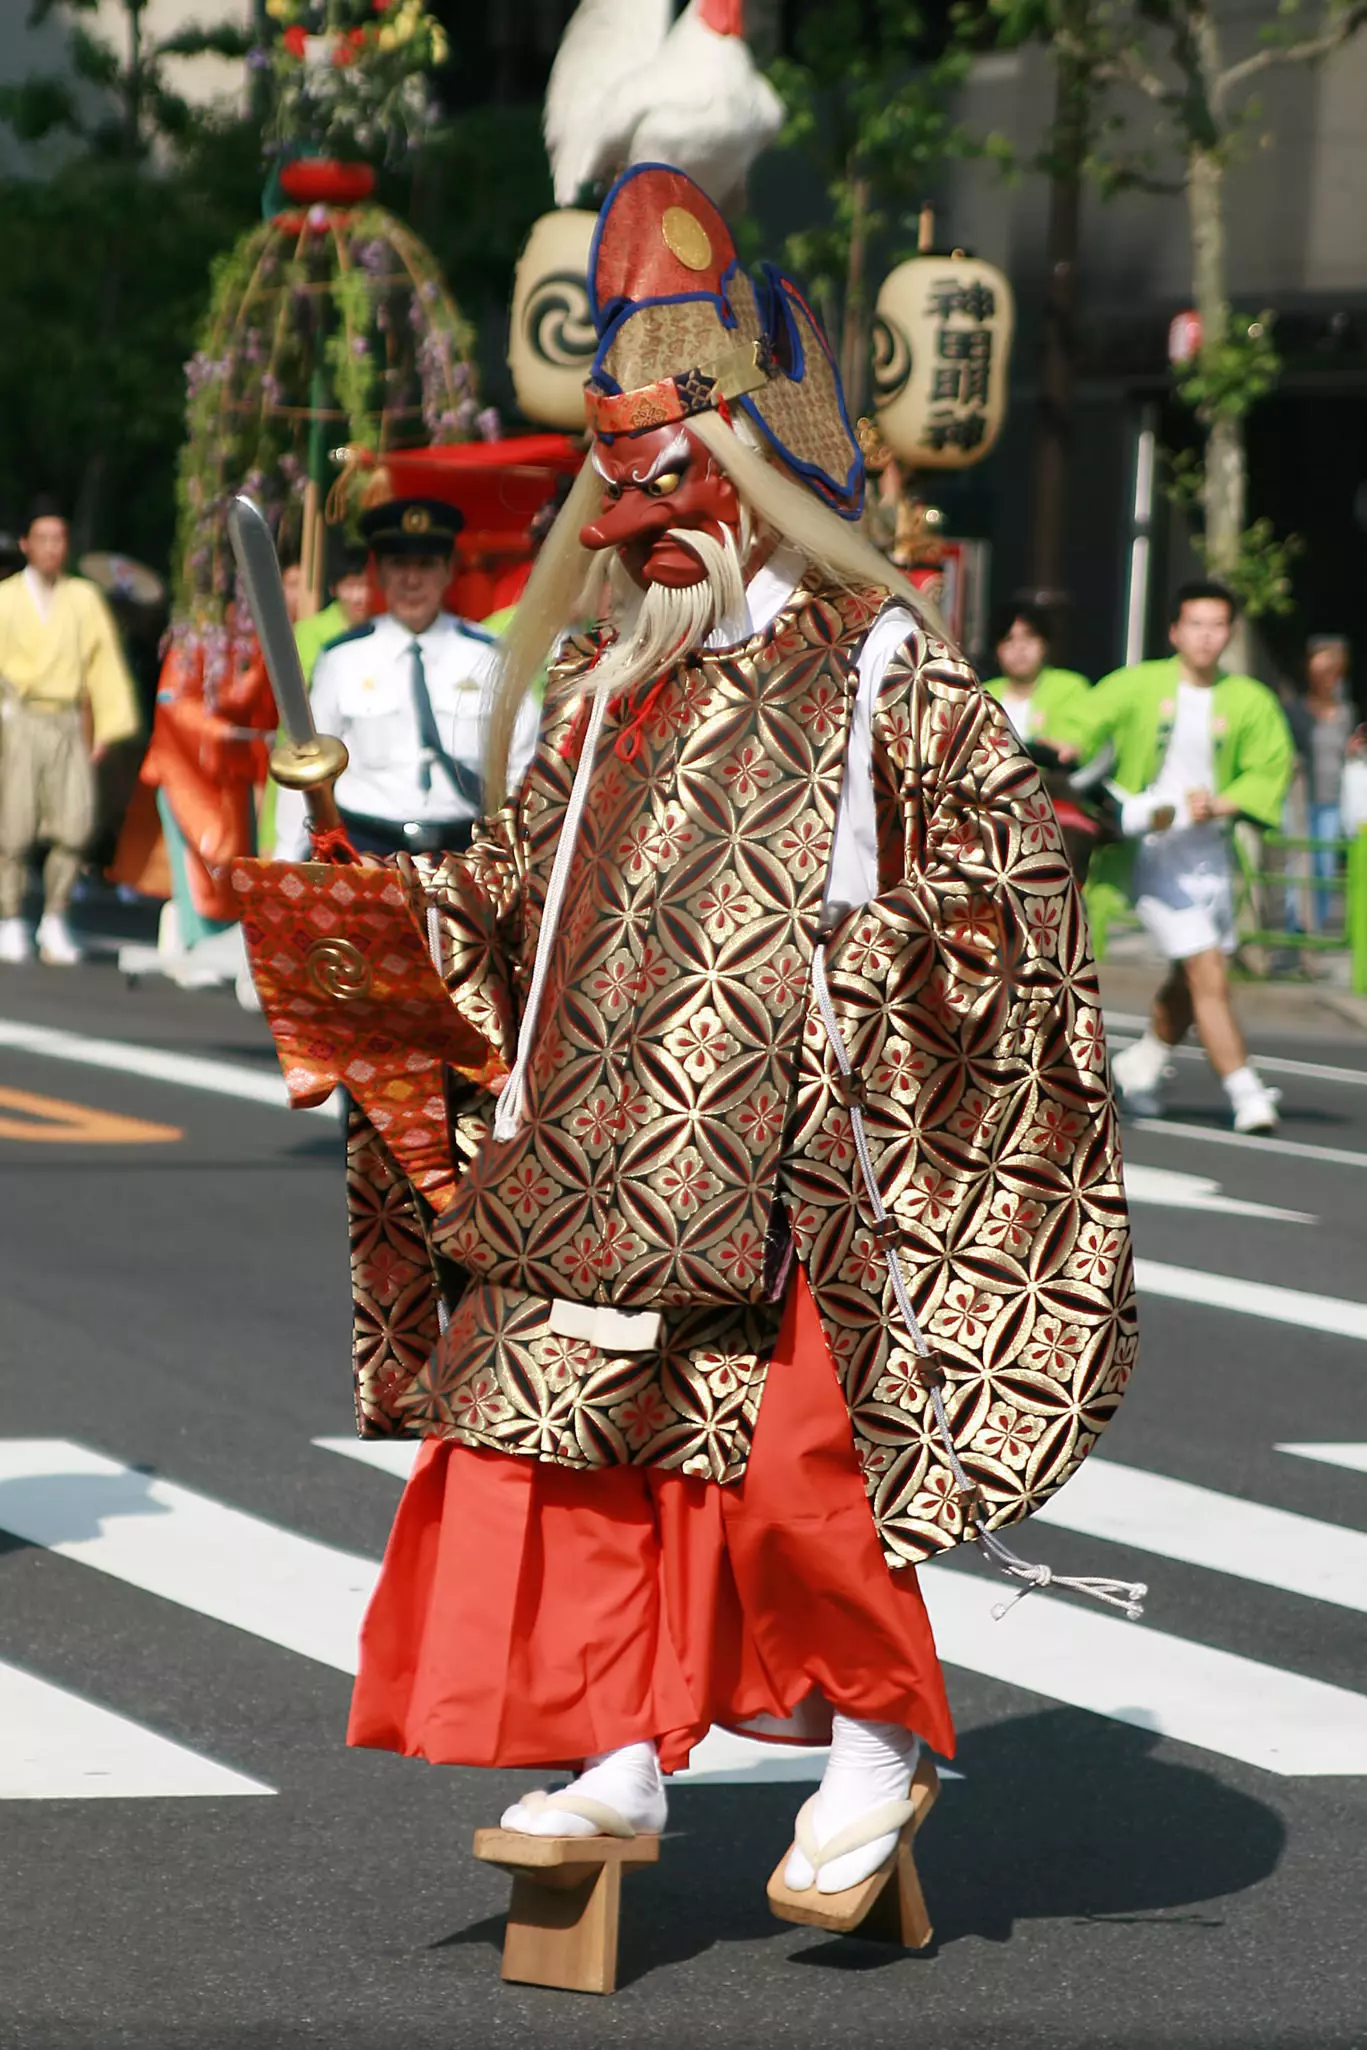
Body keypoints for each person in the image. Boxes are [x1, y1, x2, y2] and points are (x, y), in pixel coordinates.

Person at [248, 166, 1136, 1925]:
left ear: (751, 472)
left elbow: (1012, 871)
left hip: (790, 1156)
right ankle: (611, 1743)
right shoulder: (605, 690)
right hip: (593, 1154)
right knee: (552, 1438)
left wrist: (855, 975)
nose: (643, 528)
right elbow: (504, 900)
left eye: (672, 486)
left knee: (801, 1470)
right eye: (622, 497)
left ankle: (874, 1741)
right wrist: (354, 899)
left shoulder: (880, 665)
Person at [1058, 580, 1293, 1133]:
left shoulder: (1249, 699)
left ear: (1229, 633)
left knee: (1192, 979)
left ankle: (1140, 1069)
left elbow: (1271, 765)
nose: (1206, 636)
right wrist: (1070, 744)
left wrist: (1225, 802)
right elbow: (1085, 718)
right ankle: (1246, 1092)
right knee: (1207, 970)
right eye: (1196, 624)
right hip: (1152, 851)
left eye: (1217, 625)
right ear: (1174, 631)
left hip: (1210, 855)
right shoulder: (1140, 684)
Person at [273, 499, 528, 861]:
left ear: (447, 571)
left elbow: (523, 760)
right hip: (367, 852)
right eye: (398, 564)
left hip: (464, 854)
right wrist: (287, 858)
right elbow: (307, 767)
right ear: (379, 574)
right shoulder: (342, 659)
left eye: (425, 565)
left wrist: (517, 850)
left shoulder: (489, 657)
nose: (412, 580)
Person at [0, 499, 140, 965]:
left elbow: (104, 665)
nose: (51, 548)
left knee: (76, 823)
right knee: (14, 825)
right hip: (19, 718)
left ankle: (55, 916)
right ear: (26, 544)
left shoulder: (83, 599)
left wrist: (106, 728)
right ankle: (10, 916)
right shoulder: (5, 598)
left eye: (58, 539)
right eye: (42, 538)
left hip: (66, 720)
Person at [1283, 635, 1360, 931]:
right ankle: (1296, 930)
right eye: (1321, 671)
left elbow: (1344, 751)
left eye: (1333, 672)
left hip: (1332, 799)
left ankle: (1314, 929)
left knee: (1324, 867)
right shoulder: (1295, 711)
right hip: (1299, 800)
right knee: (1297, 864)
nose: (1328, 679)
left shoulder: (1346, 713)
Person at [981, 600, 1090, 743]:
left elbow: (1078, 742)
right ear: (996, 651)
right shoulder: (983, 695)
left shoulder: (1071, 688)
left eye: (1029, 636)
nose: (1020, 647)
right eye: (1008, 639)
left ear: (1045, 644)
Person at [294, 543, 372, 685]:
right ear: (333, 589)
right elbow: (307, 686)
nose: (358, 597)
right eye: (349, 586)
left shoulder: (386, 627)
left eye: (364, 585)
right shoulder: (309, 630)